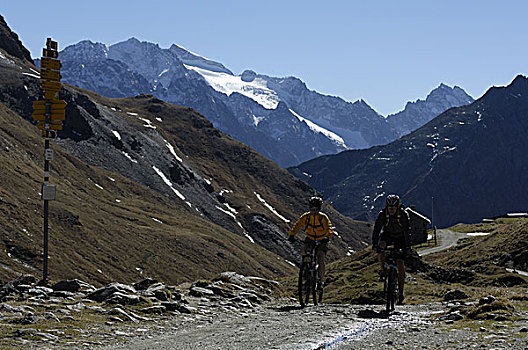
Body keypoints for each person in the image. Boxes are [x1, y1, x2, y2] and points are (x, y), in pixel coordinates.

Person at [372, 194, 411, 305]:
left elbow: (407, 231)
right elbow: (376, 230)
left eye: (393, 208)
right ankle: (383, 271)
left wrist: (407, 247)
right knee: (380, 248)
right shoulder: (382, 214)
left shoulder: (403, 215)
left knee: (400, 263)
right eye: (390, 208)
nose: (391, 210)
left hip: (400, 237)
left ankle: (401, 293)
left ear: (398, 207)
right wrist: (375, 244)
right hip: (388, 235)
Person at [288, 196, 333, 291]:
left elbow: (329, 228)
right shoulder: (306, 217)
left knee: (320, 258)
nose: (314, 211)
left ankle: (321, 281)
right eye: (312, 209)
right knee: (305, 252)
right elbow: (298, 225)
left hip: (321, 240)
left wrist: (327, 238)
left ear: (319, 209)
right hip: (310, 238)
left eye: (316, 209)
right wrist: (292, 235)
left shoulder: (323, 218)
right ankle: (306, 270)